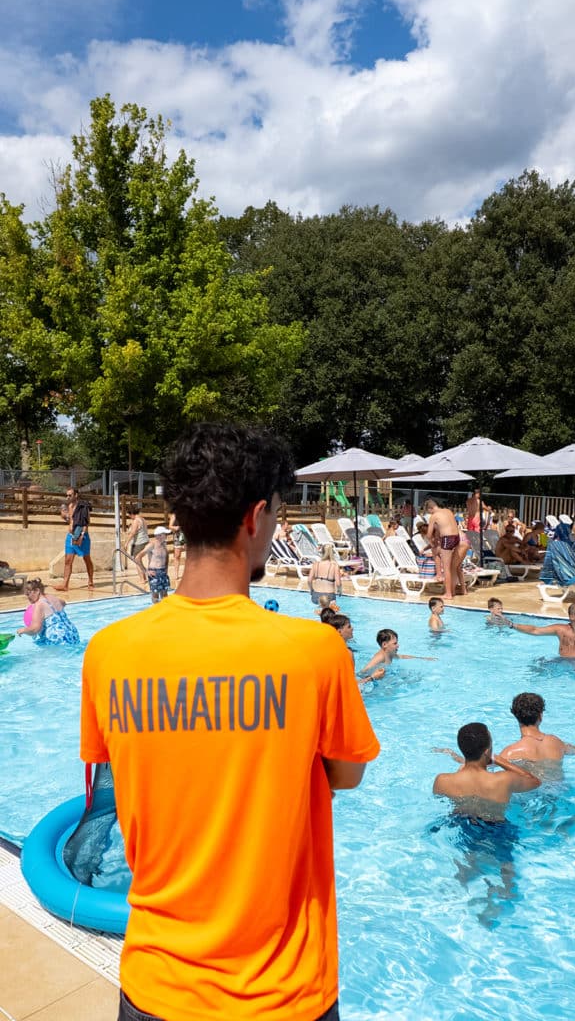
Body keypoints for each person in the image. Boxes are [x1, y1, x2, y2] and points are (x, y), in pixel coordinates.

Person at [80, 422, 380, 1021]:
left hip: (157, 984)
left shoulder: (110, 652)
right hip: (284, 990)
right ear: (256, 516)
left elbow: (120, 773)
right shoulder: (314, 651)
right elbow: (345, 776)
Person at [433, 722, 540, 821]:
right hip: (495, 830)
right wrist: (499, 760)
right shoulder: (504, 780)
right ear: (487, 751)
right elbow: (535, 782)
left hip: (462, 826)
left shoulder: (442, 781)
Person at [499, 693, 575, 767]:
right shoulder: (557, 743)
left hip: (531, 780)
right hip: (558, 780)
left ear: (516, 716)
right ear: (540, 716)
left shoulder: (510, 753)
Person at [53, 487, 94, 592]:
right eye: (66, 495)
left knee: (87, 559)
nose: (68, 497)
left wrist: (81, 535)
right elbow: (70, 520)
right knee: (68, 560)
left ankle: (90, 582)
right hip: (70, 536)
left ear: (76, 495)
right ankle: (65, 584)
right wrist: (65, 517)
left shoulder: (83, 506)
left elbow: (86, 522)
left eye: (70, 495)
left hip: (82, 536)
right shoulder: (68, 506)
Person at [17, 578, 80, 645]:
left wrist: (24, 630)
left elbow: (35, 629)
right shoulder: (53, 597)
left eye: (28, 594)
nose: (28, 598)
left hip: (57, 638)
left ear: (37, 591)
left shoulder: (39, 605)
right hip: (72, 633)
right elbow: (63, 603)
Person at [359, 627, 435, 677]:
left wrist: (423, 658)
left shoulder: (390, 654)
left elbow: (402, 656)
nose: (398, 645)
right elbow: (363, 671)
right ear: (384, 644)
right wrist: (370, 678)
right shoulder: (380, 657)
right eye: (395, 643)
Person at [425, 498, 462, 599]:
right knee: (451, 565)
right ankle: (451, 588)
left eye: (429, 511)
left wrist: (431, 542)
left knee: (446, 568)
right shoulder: (448, 511)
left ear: (430, 508)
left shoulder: (434, 516)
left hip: (448, 539)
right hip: (456, 537)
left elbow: (428, 534)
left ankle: (448, 593)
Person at [509, 602, 575, 657]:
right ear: (572, 616)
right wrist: (512, 625)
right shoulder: (561, 629)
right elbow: (535, 630)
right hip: (562, 663)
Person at [135, 526, 172, 602]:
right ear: (159, 535)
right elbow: (137, 557)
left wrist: (166, 570)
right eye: (165, 534)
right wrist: (145, 571)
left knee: (165, 595)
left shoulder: (163, 545)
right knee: (155, 595)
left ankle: (164, 612)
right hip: (154, 572)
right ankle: (156, 610)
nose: (167, 536)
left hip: (163, 572)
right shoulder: (151, 545)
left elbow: (166, 558)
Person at [168, 512, 186, 583]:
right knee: (177, 556)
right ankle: (176, 574)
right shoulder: (174, 515)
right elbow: (170, 526)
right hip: (178, 535)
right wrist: (176, 527)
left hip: (186, 535)